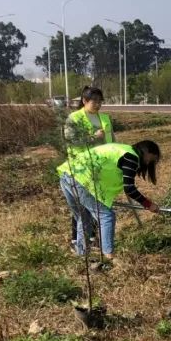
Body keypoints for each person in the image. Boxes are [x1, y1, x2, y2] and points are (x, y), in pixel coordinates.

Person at [57, 140, 162, 263]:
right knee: (106, 216)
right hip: (80, 180)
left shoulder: (122, 149)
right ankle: (109, 257)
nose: (149, 162)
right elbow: (129, 188)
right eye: (152, 158)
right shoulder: (131, 157)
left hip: (68, 174)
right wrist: (148, 204)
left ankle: (82, 255)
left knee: (84, 216)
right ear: (147, 151)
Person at [63, 86, 115, 243]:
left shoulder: (104, 118)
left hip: (101, 167)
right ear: (84, 101)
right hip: (81, 168)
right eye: (95, 101)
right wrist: (93, 137)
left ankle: (92, 236)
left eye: (100, 101)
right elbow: (71, 139)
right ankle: (77, 241)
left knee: (97, 202)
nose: (98, 105)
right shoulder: (75, 118)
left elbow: (112, 138)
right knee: (82, 206)